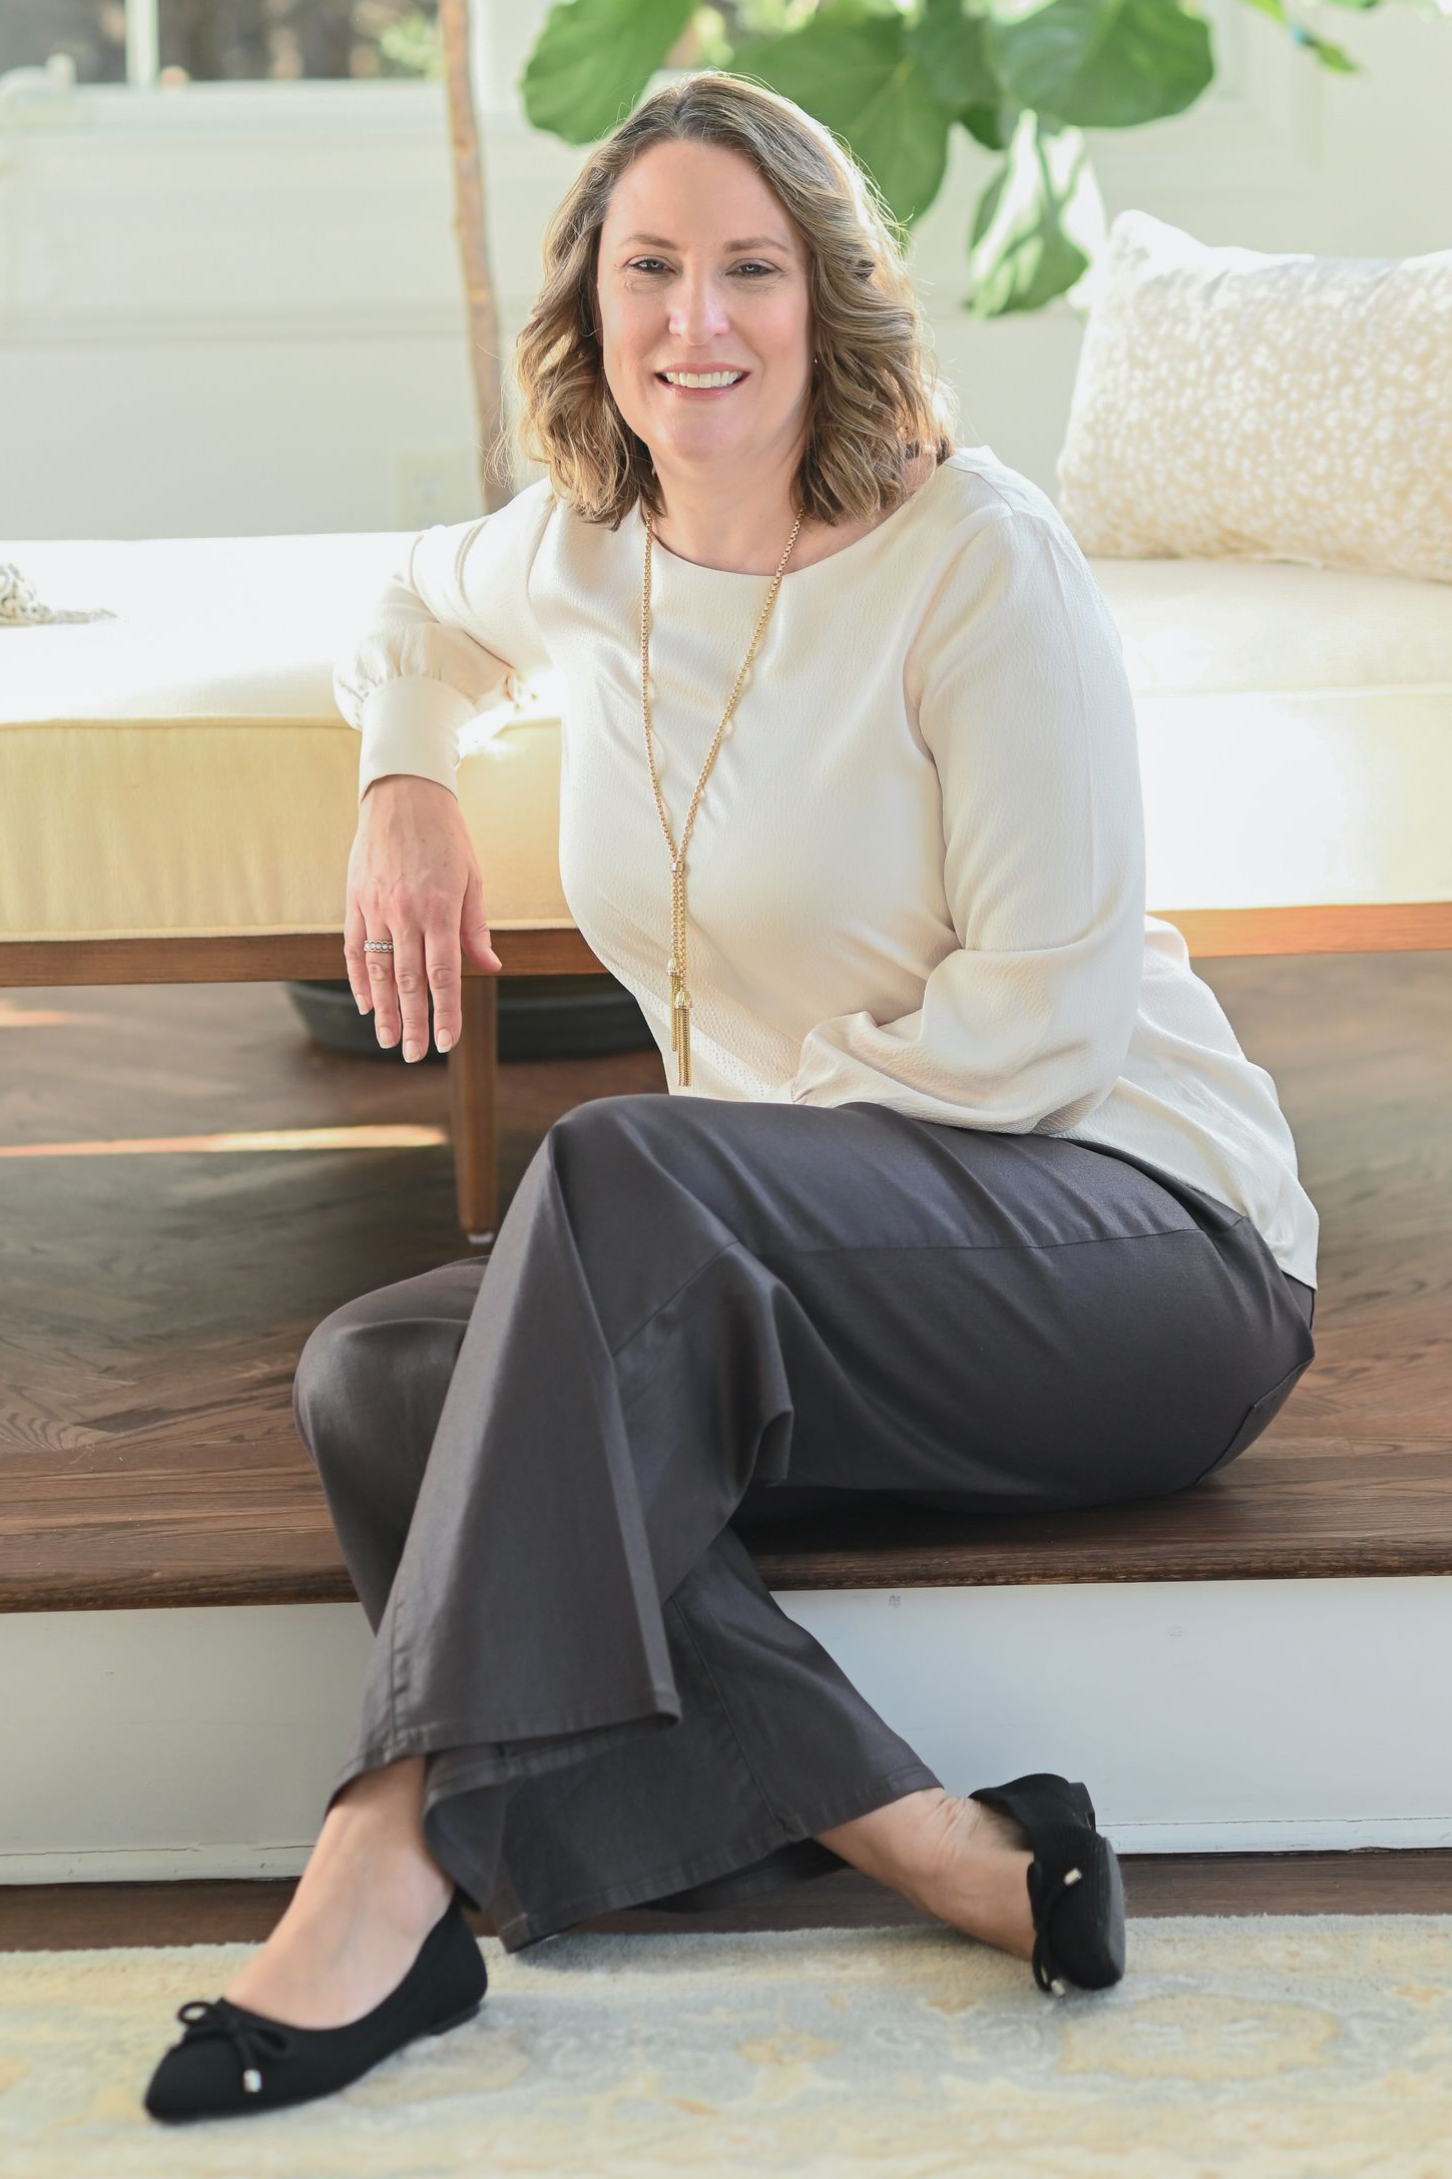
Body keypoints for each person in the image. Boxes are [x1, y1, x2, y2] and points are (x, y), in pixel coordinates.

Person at [144, 72, 1318, 2121]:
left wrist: (728, 1173)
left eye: (750, 270)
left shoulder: (979, 561)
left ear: (826, 300)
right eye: (653, 270)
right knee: (380, 1376)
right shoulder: (592, 553)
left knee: (618, 1185)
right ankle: (927, 1838)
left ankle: (386, 1863)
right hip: (794, 1264)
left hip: (1136, 1250)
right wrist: (406, 775)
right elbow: (416, 600)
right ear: (594, 310)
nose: (698, 320)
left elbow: (1048, 1022)